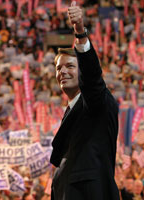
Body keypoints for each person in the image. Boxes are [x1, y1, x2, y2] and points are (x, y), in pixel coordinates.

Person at [49, 1, 119, 200]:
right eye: (59, 68)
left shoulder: (96, 102)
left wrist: (80, 32)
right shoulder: (72, 110)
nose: (62, 71)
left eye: (70, 66)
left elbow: (92, 78)